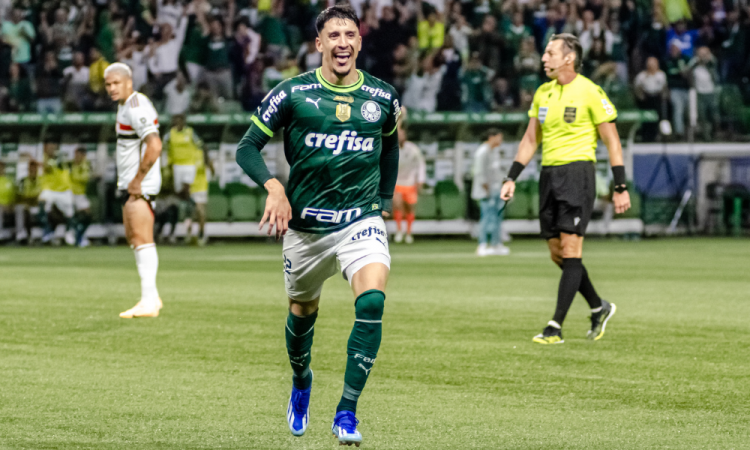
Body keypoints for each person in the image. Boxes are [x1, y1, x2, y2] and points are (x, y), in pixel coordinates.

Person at [234, 5, 400, 445]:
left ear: (360, 42)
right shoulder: (292, 93)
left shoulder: (382, 97)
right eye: (334, 35)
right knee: (302, 314)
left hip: (359, 221)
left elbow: (389, 149)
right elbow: (247, 147)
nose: (342, 42)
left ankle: (346, 412)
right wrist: (273, 187)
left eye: (350, 34)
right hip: (305, 229)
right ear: (319, 44)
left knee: (371, 303)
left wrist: (382, 202)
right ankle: (301, 381)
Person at [500, 34, 631, 345]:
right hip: (549, 175)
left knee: (572, 250)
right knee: (558, 254)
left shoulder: (590, 92)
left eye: (549, 53)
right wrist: (511, 177)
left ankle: (554, 326)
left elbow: (612, 141)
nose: (544, 58)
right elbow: (531, 139)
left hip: (577, 175)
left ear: (568, 58)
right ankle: (599, 307)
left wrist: (620, 185)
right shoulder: (542, 93)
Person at [104, 62, 164, 319]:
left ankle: (149, 300)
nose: (111, 88)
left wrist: (139, 179)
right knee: (135, 240)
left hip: (141, 184)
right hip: (131, 183)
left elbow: (155, 144)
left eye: (116, 83)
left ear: (129, 81)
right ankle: (150, 297)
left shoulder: (136, 106)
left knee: (142, 239)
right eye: (107, 84)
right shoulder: (125, 106)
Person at [471, 128, 509, 256]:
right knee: (486, 217)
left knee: (497, 218)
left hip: (496, 189)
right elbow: (479, 172)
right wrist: (486, 189)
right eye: (499, 137)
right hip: (485, 191)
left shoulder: (494, 152)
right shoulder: (482, 152)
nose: (501, 140)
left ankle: (496, 244)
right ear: (491, 137)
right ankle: (482, 244)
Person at [393, 120, 425, 244]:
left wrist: (420, 180)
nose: (400, 136)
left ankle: (409, 232)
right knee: (398, 205)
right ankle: (399, 231)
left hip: (410, 182)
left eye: (402, 134)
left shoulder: (413, 149)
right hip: (397, 182)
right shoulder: (391, 149)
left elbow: (420, 165)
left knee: (410, 209)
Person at [39, 142, 76, 246]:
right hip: (50, 189)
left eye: (53, 147)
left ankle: (69, 233)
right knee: (42, 202)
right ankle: (47, 231)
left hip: (64, 189)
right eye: (49, 147)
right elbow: (46, 167)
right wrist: (46, 155)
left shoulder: (61, 158)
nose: (52, 149)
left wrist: (58, 156)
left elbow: (62, 165)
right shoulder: (44, 158)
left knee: (70, 212)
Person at [163, 114, 201, 196]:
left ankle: (188, 205)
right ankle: (182, 206)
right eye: (176, 121)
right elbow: (164, 146)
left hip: (189, 164)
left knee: (187, 187)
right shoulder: (170, 134)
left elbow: (199, 145)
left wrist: (199, 160)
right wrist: (166, 162)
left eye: (180, 121)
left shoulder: (190, 132)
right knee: (178, 190)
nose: (178, 123)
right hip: (176, 165)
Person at [633, 56, 667, 142]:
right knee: (646, 118)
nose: (652, 66)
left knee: (656, 118)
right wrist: (640, 96)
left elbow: (664, 86)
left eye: (653, 64)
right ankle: (645, 136)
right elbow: (637, 87)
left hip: (657, 97)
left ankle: (656, 135)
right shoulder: (642, 76)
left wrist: (663, 96)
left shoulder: (661, 75)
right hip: (646, 98)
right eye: (650, 64)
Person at [185, 146, 213, 245]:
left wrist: (209, 163)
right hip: (192, 188)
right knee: (191, 213)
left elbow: (213, 172)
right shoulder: (192, 156)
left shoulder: (206, 159)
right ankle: (189, 235)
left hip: (202, 188)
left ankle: (201, 234)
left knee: (200, 212)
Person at [14, 160, 42, 245]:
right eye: (31, 167)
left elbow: (42, 195)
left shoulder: (41, 180)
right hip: (26, 204)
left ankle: (37, 236)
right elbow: (19, 195)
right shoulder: (22, 181)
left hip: (37, 204)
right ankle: (22, 235)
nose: (33, 170)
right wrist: (28, 201)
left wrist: (32, 199)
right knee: (20, 208)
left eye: (35, 167)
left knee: (38, 210)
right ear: (28, 169)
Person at [70, 147, 93, 247]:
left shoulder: (85, 166)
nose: (77, 157)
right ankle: (74, 235)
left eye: (79, 155)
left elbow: (85, 178)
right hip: (68, 193)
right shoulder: (70, 164)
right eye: (76, 154)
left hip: (80, 194)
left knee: (88, 215)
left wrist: (74, 175)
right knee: (73, 214)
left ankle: (79, 234)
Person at [0, 161, 15, 240]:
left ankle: (20, 234)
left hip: (8, 206)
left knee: (19, 208)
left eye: (1, 167)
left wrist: (11, 205)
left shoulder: (9, 181)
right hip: (1, 207)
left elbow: (13, 196)